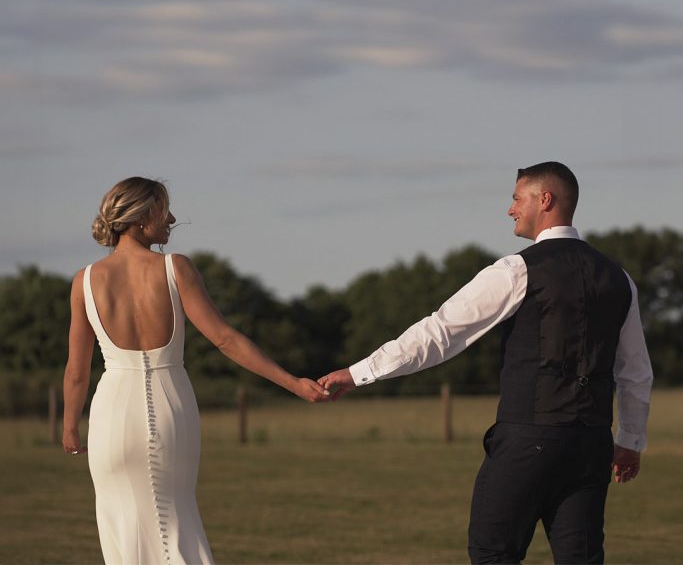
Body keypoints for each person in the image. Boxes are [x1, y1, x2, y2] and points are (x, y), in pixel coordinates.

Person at [320, 161, 652, 565]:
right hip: (591, 443)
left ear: (544, 200)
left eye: (516, 198)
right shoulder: (619, 278)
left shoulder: (517, 270)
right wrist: (630, 442)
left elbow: (439, 334)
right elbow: (635, 371)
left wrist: (359, 373)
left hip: (529, 439)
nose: (510, 209)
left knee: (492, 553)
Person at [63, 176, 329, 565]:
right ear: (140, 218)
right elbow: (225, 339)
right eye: (162, 210)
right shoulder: (174, 268)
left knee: (120, 527)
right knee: (175, 521)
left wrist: (70, 425)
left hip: (110, 418)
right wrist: (292, 383)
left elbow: (76, 370)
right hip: (171, 407)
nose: (171, 219)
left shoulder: (84, 281)